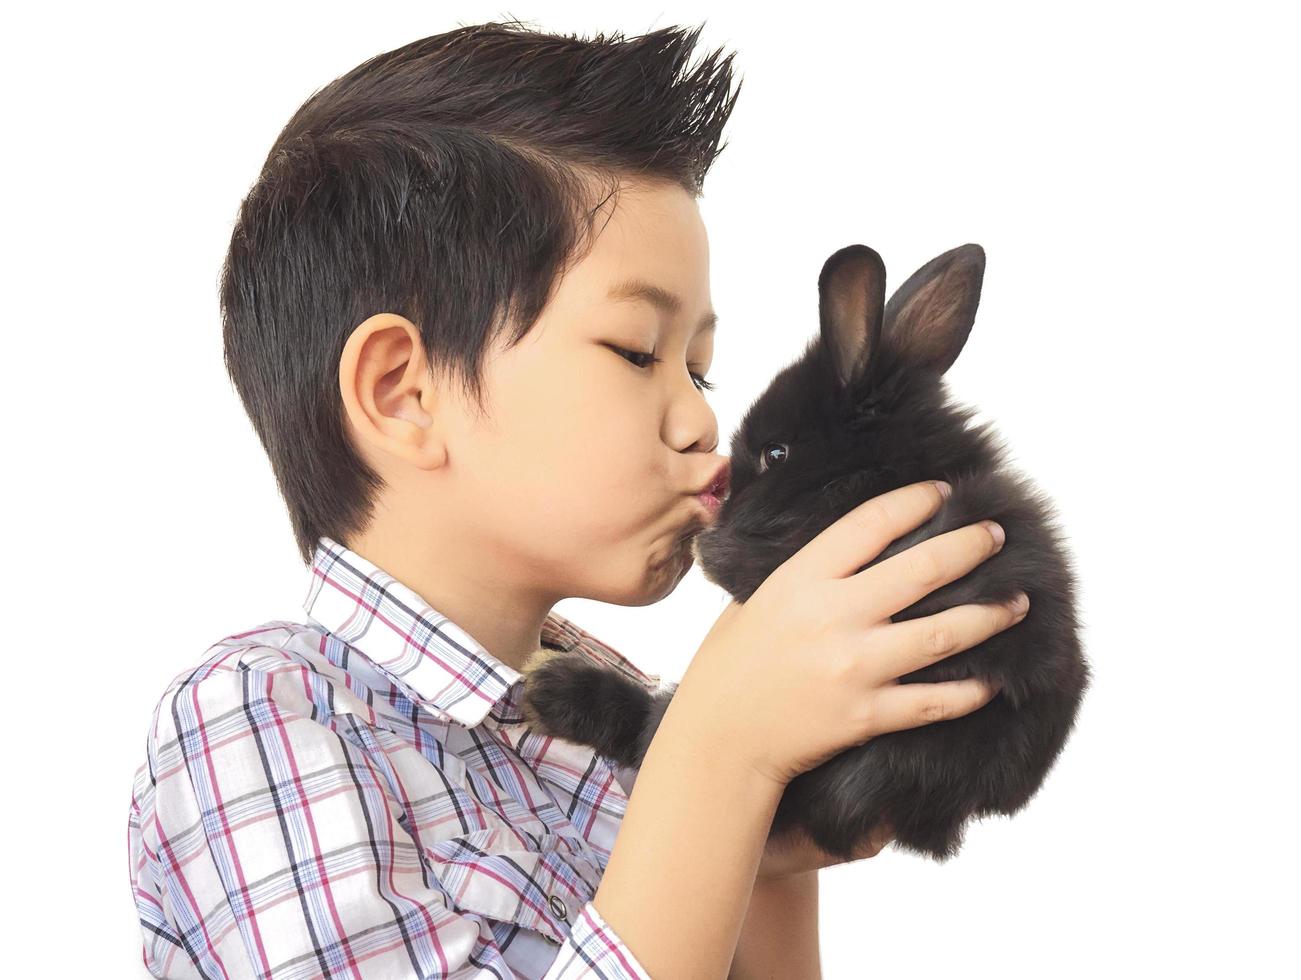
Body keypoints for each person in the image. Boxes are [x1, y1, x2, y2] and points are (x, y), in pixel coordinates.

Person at [125, 19, 1027, 979]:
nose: (698, 427)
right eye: (639, 353)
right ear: (404, 393)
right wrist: (717, 756)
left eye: (702, 373)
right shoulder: (259, 720)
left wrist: (766, 847)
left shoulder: (618, 714)